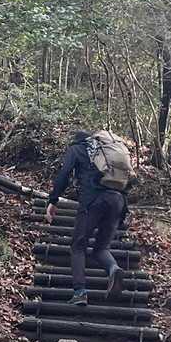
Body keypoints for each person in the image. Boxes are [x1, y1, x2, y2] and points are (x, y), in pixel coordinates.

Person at [46, 130, 130, 305]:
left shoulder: (77, 148)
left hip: (93, 200)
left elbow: (64, 174)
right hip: (118, 201)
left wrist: (53, 200)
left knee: (78, 246)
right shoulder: (106, 150)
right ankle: (113, 268)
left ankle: (80, 292)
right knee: (101, 248)